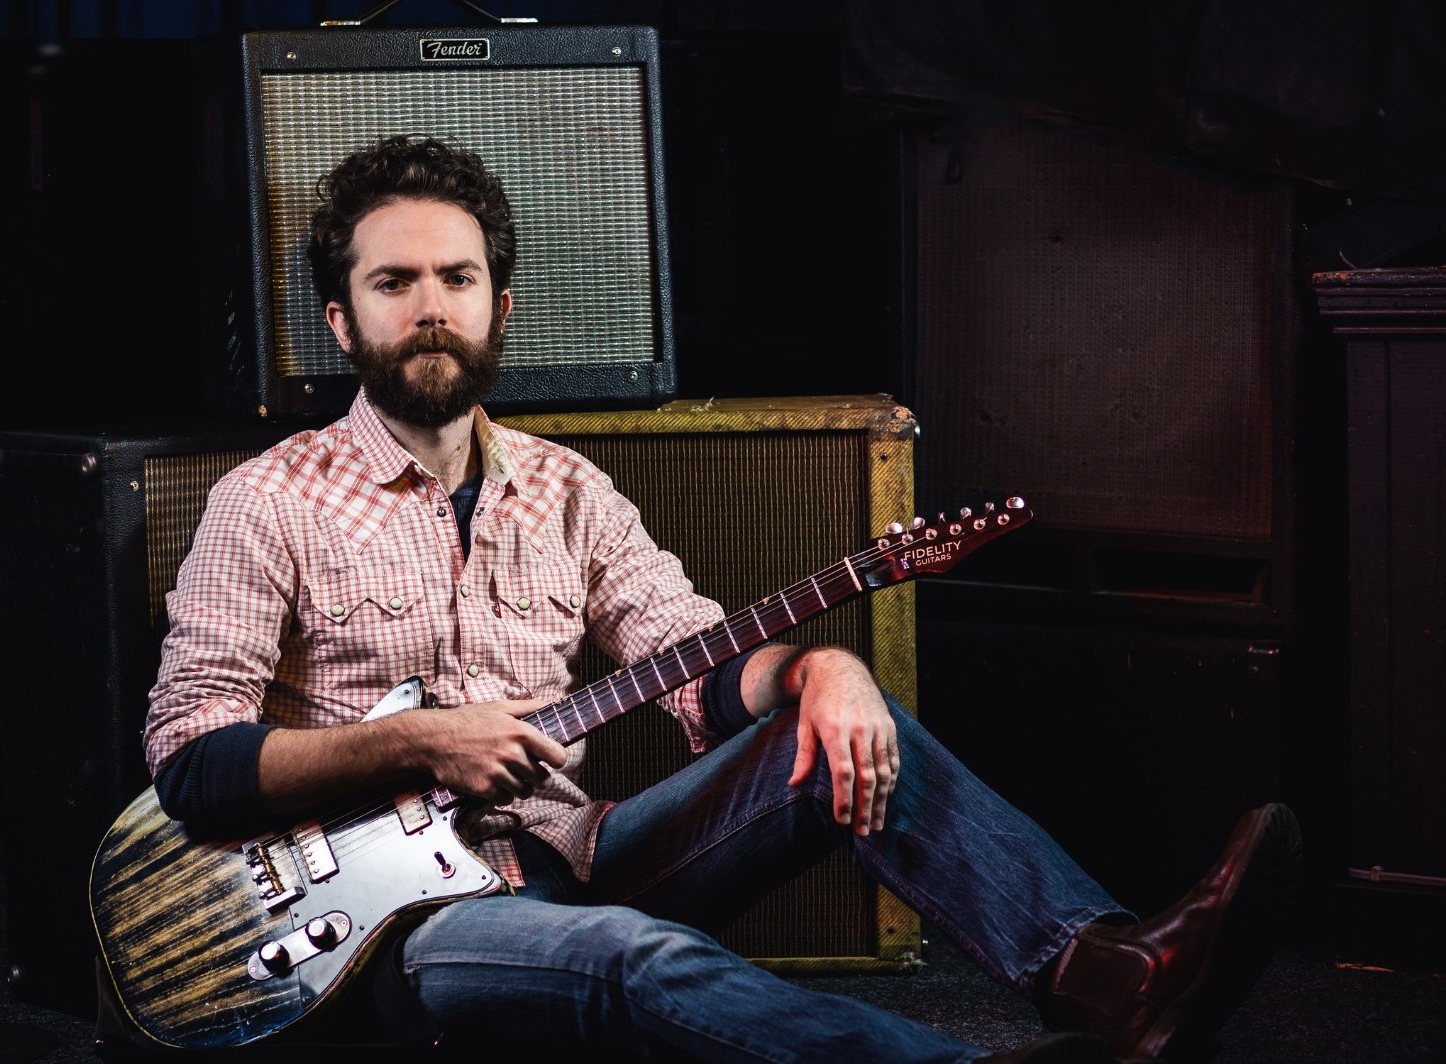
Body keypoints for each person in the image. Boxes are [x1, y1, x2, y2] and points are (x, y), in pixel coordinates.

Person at [141, 133, 1301, 1064]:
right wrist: (417, 741)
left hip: (575, 855)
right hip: (395, 934)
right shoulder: (268, 502)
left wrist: (820, 670)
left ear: (500, 305)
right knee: (639, 959)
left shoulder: (564, 490)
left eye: (458, 277)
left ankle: (1111, 975)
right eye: (393, 282)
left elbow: (694, 663)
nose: (431, 305)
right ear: (343, 321)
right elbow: (189, 763)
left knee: (848, 727)